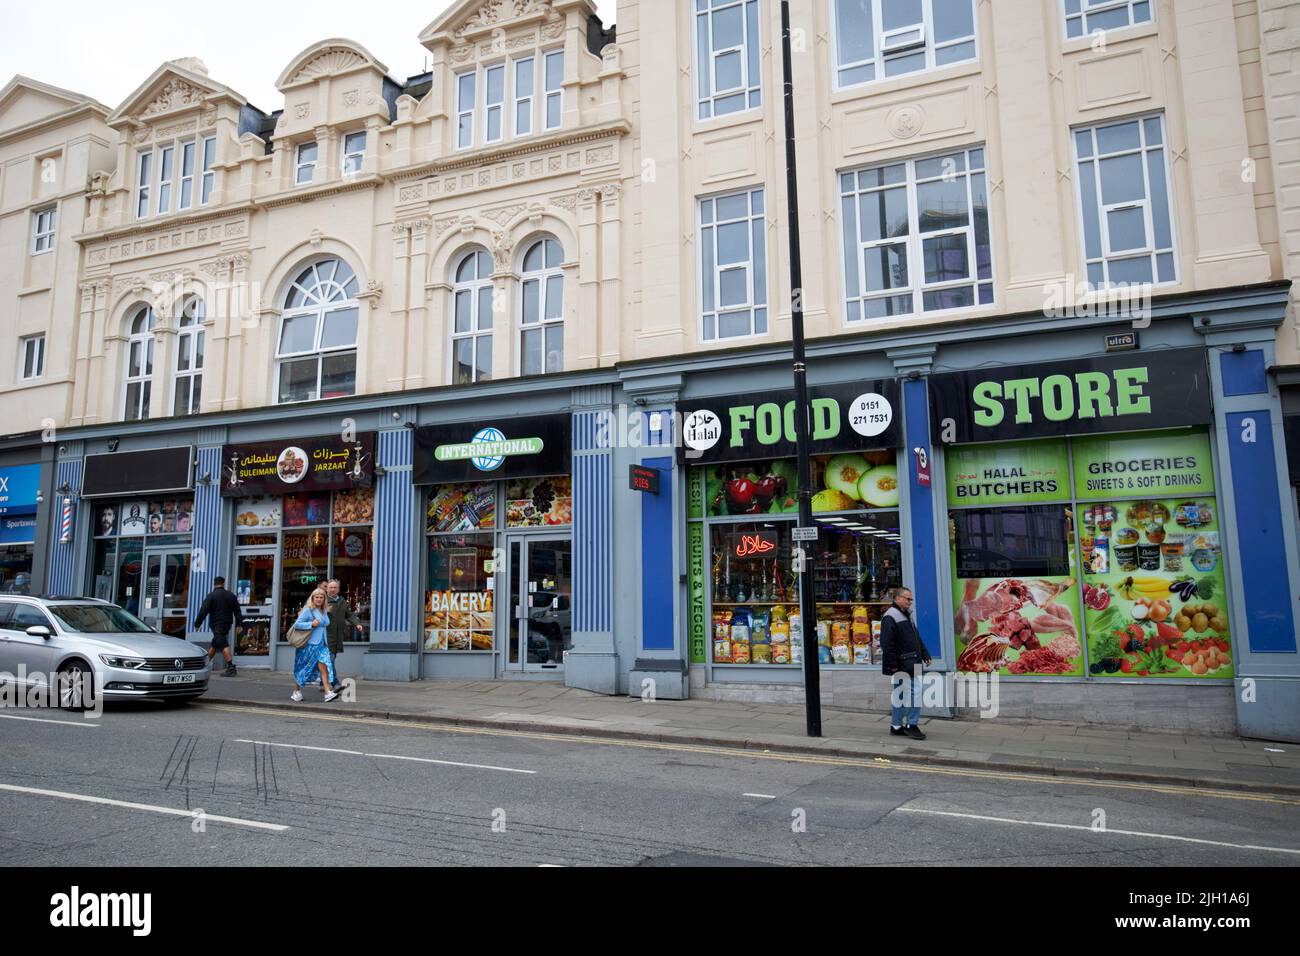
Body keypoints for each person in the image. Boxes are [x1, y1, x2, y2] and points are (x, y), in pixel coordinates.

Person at [879, 586, 932, 741]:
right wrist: (894, 666)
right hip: (902, 663)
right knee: (917, 691)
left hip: (912, 661)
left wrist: (925, 653)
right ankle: (912, 725)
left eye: (911, 599)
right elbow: (887, 644)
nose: (910, 602)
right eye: (907, 599)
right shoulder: (890, 616)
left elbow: (916, 637)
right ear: (898, 598)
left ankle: (896, 726)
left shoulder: (906, 614)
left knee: (899, 695)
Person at [290, 587, 340, 703]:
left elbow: (324, 625)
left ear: (324, 599)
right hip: (308, 645)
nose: (319, 599)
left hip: (322, 644)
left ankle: (327, 693)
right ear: (312, 598)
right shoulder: (308, 610)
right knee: (302, 668)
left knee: (325, 667)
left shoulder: (324, 611)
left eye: (321, 597)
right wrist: (311, 624)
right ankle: (296, 691)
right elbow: (297, 625)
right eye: (316, 597)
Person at [193, 576, 242, 676]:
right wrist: (239, 624)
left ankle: (231, 667)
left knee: (223, 643)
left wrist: (197, 623)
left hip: (216, 624)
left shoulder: (211, 596)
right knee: (215, 644)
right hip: (227, 624)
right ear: (223, 583)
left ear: (214, 584)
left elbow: (204, 610)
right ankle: (205, 664)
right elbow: (237, 611)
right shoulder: (231, 595)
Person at [324, 579, 362, 665]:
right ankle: (330, 678)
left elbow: (349, 615)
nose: (333, 589)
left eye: (335, 587)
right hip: (325, 637)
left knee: (331, 658)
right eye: (330, 587)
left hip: (337, 637)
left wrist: (357, 624)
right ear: (327, 589)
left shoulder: (342, 601)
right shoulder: (322, 600)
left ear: (338, 589)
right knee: (329, 660)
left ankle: (326, 677)